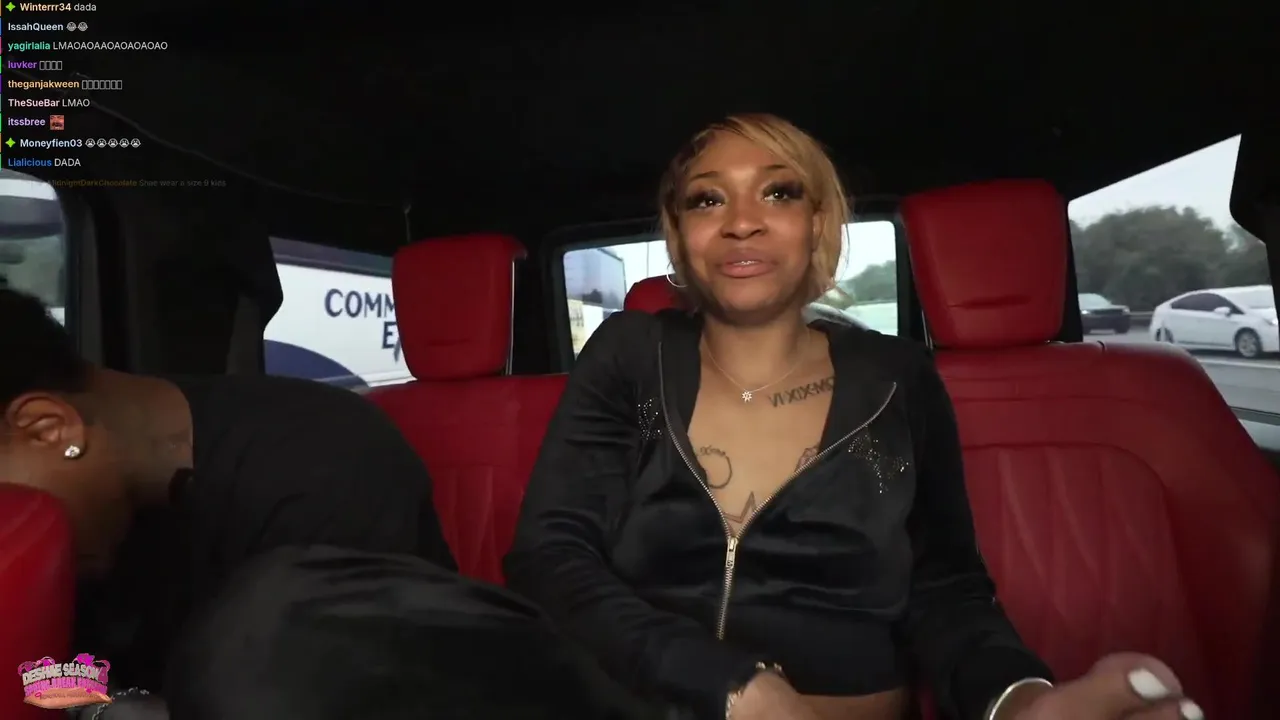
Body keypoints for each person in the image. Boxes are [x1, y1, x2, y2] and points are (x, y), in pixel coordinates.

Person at [504, 114, 1202, 720]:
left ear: (818, 224)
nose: (741, 220)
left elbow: (945, 588)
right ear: (681, 235)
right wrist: (730, 686)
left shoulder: (897, 378)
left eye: (779, 192)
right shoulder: (629, 355)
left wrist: (1017, 699)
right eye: (707, 199)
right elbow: (550, 554)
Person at [0, 288, 456, 697]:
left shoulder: (325, 466)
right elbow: (50, 678)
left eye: (5, 508)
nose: (11, 534)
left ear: (48, 429)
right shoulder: (90, 535)